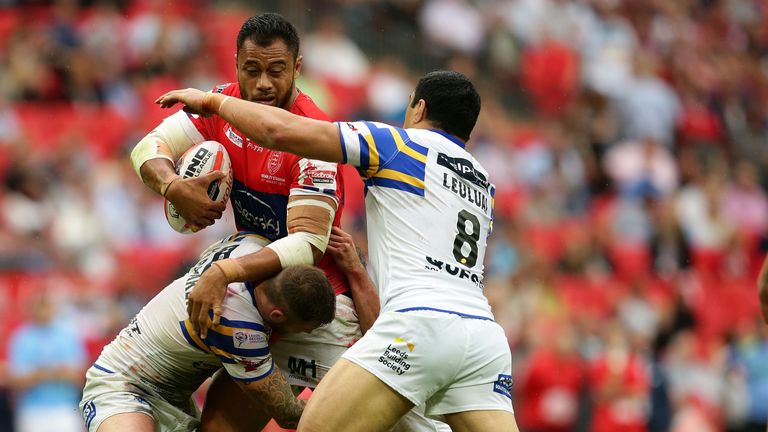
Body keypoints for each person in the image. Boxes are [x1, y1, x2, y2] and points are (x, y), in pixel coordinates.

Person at [156, 70, 520, 431]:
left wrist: (213, 101)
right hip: (484, 339)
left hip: (421, 323)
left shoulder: (399, 144)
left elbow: (280, 132)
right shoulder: (483, 182)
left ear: (419, 107)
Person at [130, 12, 386, 431]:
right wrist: (173, 186)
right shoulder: (223, 101)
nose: (264, 83)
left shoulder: (312, 132)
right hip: (261, 301)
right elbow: (148, 147)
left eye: (276, 71)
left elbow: (306, 246)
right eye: (252, 70)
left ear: (297, 69)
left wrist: (223, 272)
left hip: (317, 310)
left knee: (390, 421)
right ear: (236, 67)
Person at [79, 232, 337, 432]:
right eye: (306, 330)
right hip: (123, 386)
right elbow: (289, 413)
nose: (307, 334)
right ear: (278, 315)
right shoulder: (239, 329)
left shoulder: (249, 246)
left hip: (177, 402)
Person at [8, 292, 87, 432]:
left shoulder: (67, 335)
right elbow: (16, 379)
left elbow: (78, 374)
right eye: (39, 307)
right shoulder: (21, 337)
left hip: (65, 407)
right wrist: (55, 373)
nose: (43, 312)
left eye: (46, 307)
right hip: (33, 410)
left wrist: (39, 374)